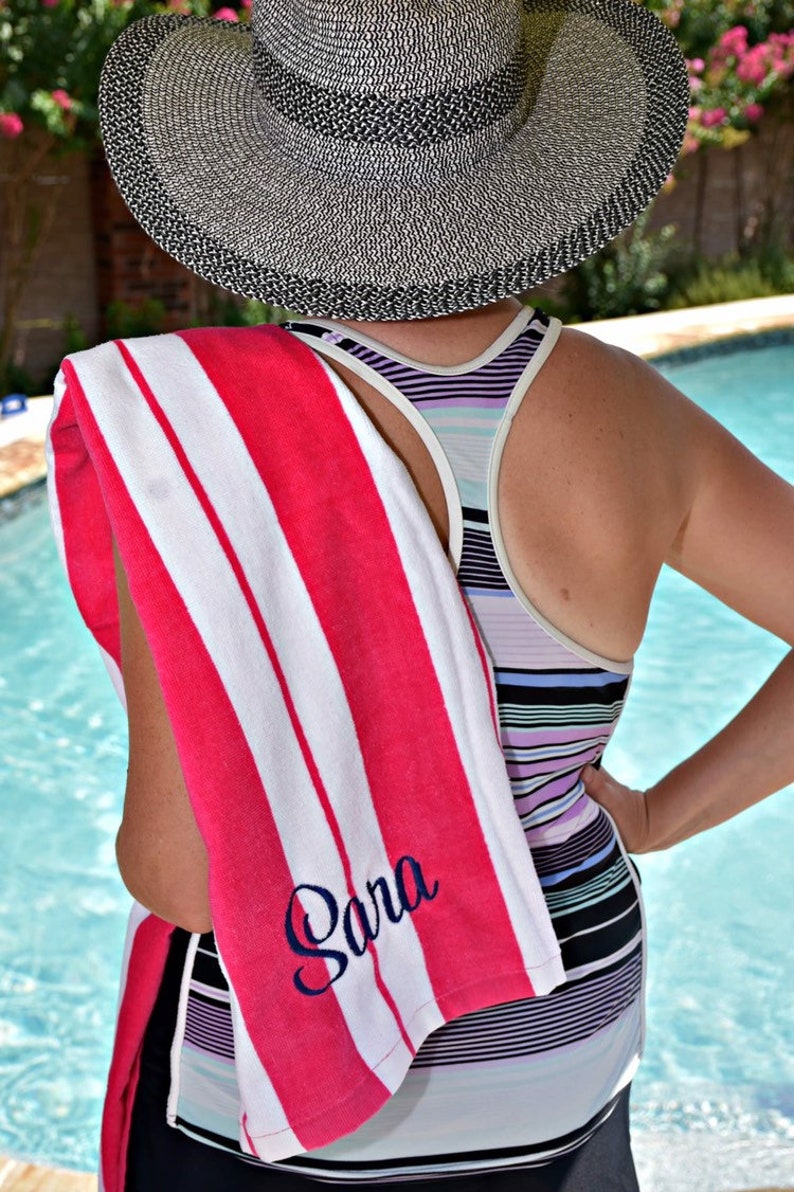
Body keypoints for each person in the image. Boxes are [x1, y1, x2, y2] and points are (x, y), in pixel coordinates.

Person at [46, 2, 794, 1190]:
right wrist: (653, 817)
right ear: (525, 164)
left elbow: (179, 872)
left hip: (297, 1066)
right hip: (563, 1042)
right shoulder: (631, 416)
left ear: (262, 182)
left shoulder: (195, 441)